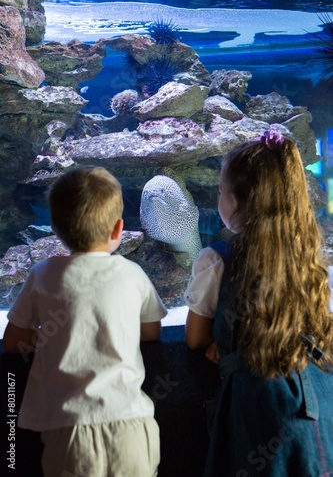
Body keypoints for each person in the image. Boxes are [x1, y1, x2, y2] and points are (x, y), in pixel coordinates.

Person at [185, 130, 333, 476]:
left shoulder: (215, 259)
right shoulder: (308, 257)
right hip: (319, 403)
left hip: (260, 412)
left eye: (221, 192)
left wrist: (225, 343)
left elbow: (193, 337)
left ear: (236, 201)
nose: (219, 199)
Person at [3, 166, 167, 477]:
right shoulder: (132, 273)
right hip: (134, 426)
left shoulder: (42, 274)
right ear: (118, 229)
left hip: (69, 431)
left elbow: (12, 342)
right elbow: (152, 331)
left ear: (54, 228)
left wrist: (43, 337)